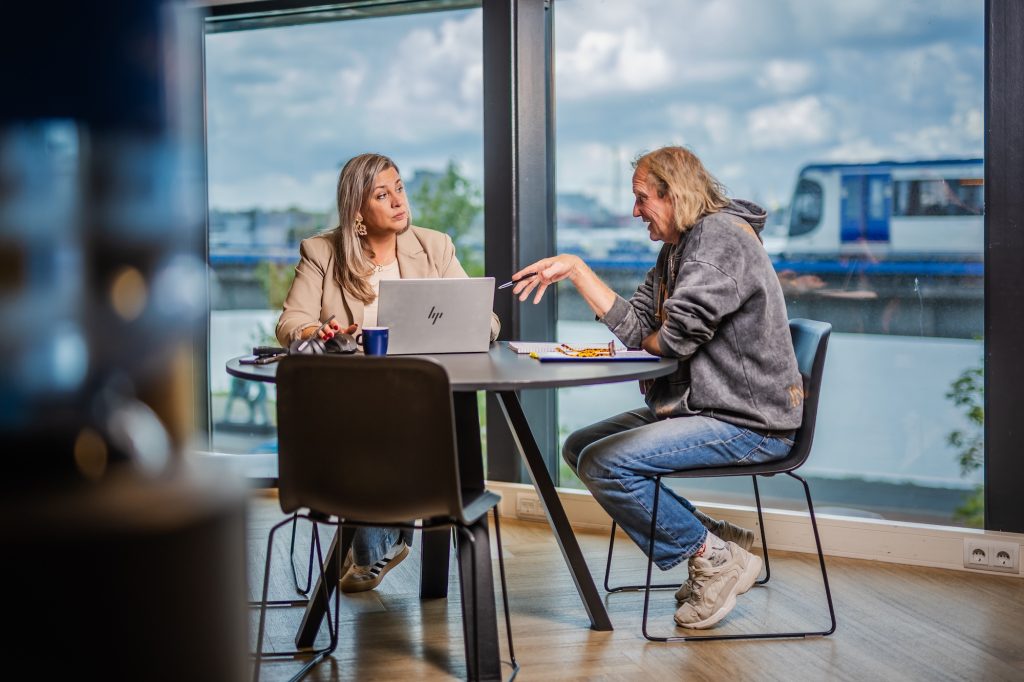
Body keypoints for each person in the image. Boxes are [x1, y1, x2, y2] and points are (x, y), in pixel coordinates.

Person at [511, 146, 803, 629]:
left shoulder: (721, 240)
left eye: (642, 198)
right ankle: (712, 539)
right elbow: (640, 328)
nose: (634, 211)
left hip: (750, 421)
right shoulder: (679, 248)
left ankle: (713, 556)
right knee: (580, 446)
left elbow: (671, 339)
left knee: (605, 464)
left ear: (675, 195)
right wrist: (578, 272)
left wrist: (656, 335)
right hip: (703, 407)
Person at [276, 152, 500, 593]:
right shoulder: (322, 252)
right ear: (358, 210)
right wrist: (320, 331)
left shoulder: (435, 247)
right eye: (383, 194)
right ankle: (376, 543)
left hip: (418, 397)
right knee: (373, 424)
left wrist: (462, 320)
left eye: (399, 188)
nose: (399, 200)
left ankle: (370, 546)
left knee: (399, 419)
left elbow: (487, 324)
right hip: (348, 397)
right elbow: (289, 324)